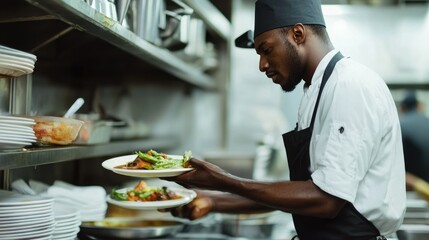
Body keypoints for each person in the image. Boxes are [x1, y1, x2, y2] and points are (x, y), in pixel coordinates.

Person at [163, 0, 406, 239]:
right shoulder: (316, 91)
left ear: (298, 34)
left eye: (266, 50)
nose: (262, 65)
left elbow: (326, 200)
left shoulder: (349, 86)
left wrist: (223, 181)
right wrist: (213, 201)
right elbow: (303, 193)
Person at [400, 91, 429, 183]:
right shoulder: (427, 121)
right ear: (418, 106)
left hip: (413, 187)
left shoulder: (400, 125)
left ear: (403, 107)